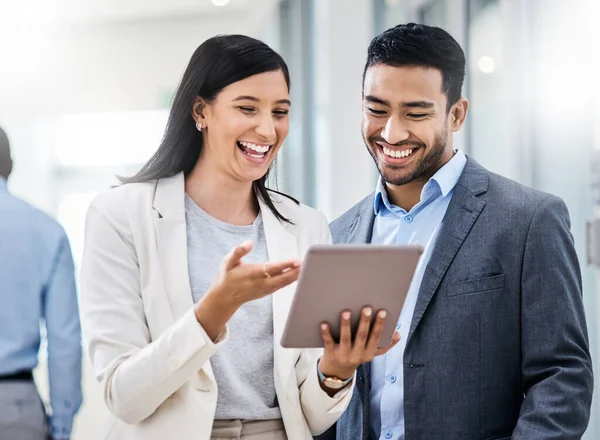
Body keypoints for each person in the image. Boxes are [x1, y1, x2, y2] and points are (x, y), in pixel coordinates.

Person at [79, 34, 399, 440]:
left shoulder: (306, 226)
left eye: (280, 111)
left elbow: (311, 418)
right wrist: (213, 311)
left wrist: (336, 370)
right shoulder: (121, 215)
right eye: (247, 108)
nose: (267, 129)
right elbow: (124, 397)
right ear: (201, 111)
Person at [323, 23, 593, 440]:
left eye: (415, 113)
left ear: (456, 114)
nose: (392, 133)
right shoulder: (338, 235)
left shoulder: (529, 220)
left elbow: (563, 378)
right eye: (377, 110)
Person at [0, 127, 82, 440]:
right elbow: (65, 340)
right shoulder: (47, 231)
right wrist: (60, 428)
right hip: (15, 411)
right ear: (10, 165)